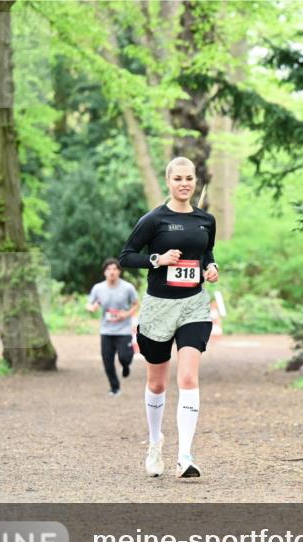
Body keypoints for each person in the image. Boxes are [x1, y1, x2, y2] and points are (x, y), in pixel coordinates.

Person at [119, 156, 219, 479]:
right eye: (178, 179)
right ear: (168, 181)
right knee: (157, 382)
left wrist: (211, 267)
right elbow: (126, 256)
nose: (184, 184)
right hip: (159, 306)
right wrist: (157, 259)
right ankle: (154, 442)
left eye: (189, 178)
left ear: (195, 181)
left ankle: (185, 456)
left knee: (188, 378)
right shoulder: (154, 219)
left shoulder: (206, 220)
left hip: (194, 306)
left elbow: (207, 253)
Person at [86, 258, 139, 396]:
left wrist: (126, 314)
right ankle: (115, 387)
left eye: (115, 269)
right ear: (104, 272)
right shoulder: (98, 288)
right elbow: (89, 304)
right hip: (106, 330)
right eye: (109, 269)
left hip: (124, 330)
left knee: (124, 357)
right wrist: (92, 308)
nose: (112, 272)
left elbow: (136, 304)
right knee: (107, 361)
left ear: (119, 272)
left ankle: (126, 365)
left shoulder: (128, 287)